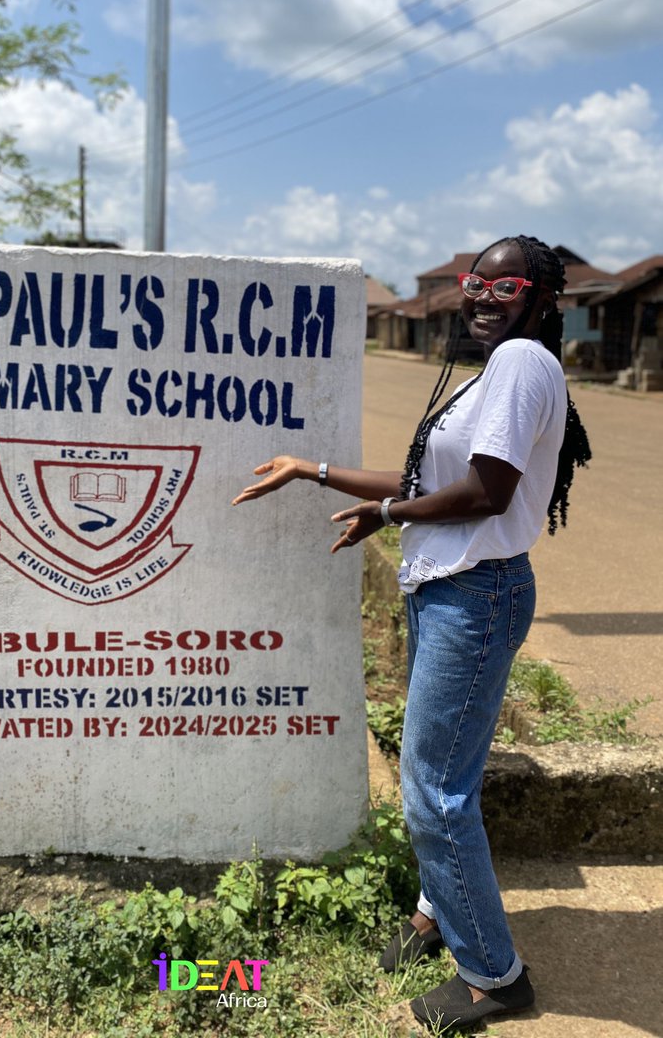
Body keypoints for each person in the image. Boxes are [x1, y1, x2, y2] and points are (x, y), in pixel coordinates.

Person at [231, 235, 591, 1030]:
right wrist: (313, 469)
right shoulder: (490, 375)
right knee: (441, 775)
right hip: (450, 590)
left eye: (503, 286)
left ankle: (496, 976)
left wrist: (390, 516)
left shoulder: (523, 366)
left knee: (434, 788)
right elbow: (426, 481)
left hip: (477, 594)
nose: (481, 296)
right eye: (473, 283)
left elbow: (486, 493)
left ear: (539, 295)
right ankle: (436, 914)